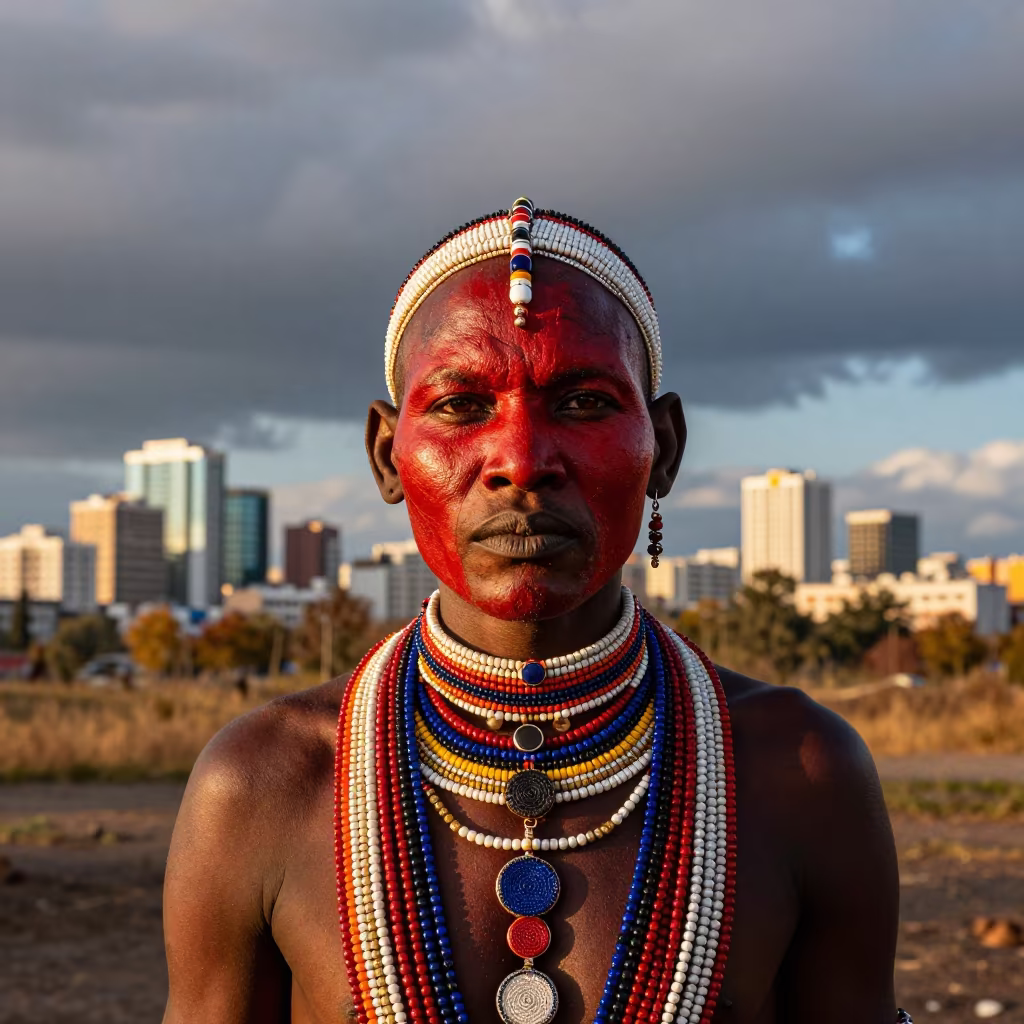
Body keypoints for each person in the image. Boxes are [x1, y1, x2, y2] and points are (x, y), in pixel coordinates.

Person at [162, 200, 910, 1023]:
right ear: (387, 454)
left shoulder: (799, 772)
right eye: (460, 405)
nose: (521, 462)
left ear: (663, 448)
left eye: (584, 403)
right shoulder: (264, 786)